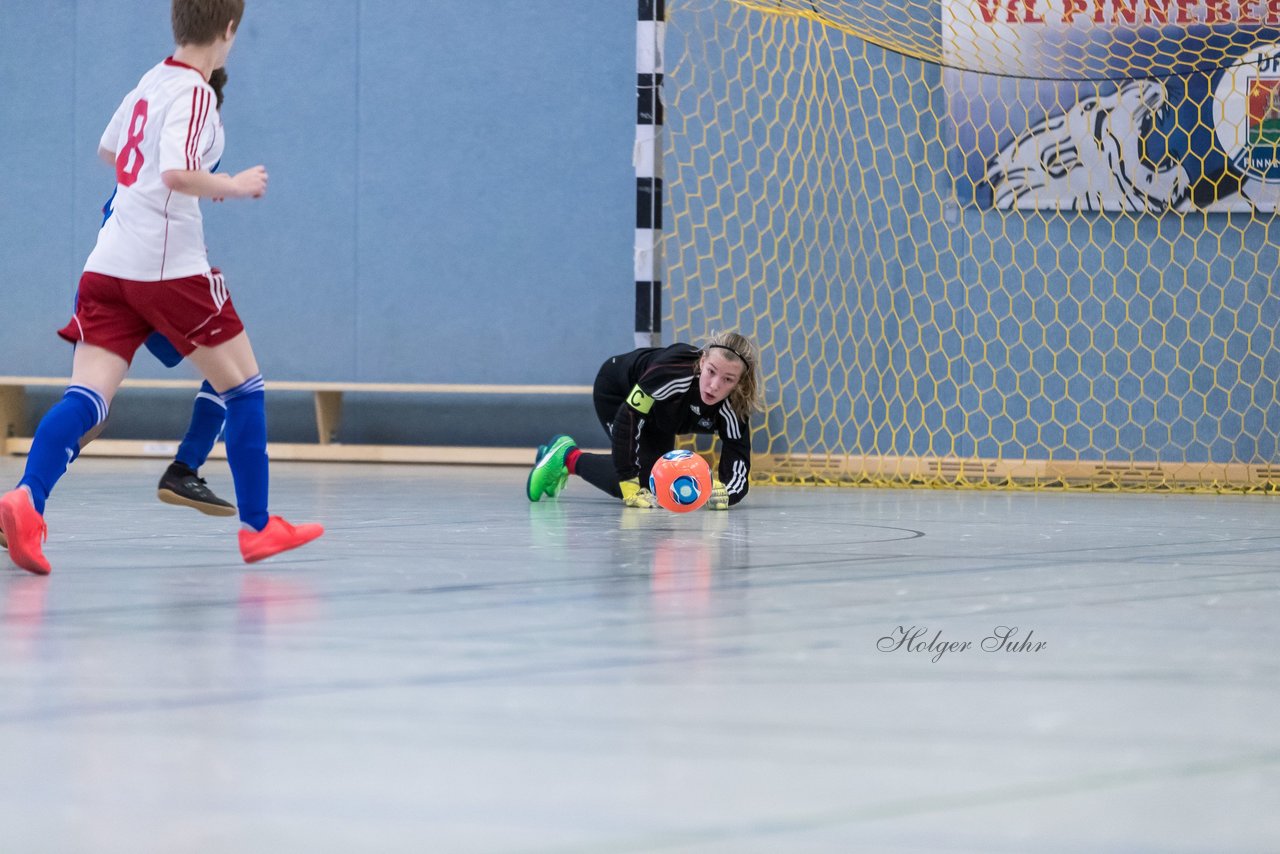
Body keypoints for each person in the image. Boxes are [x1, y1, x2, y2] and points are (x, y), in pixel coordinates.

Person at [0, 0, 323, 575]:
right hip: (167, 268)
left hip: (108, 264)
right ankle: (257, 526)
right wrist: (231, 182)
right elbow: (175, 172)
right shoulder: (197, 92)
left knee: (87, 400)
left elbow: (111, 151)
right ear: (228, 30)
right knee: (244, 387)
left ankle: (27, 499)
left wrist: (185, 182)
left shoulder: (150, 80)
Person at [526, 331, 760, 510]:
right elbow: (629, 416)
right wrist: (627, 478)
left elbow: (738, 456)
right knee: (644, 481)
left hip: (661, 413)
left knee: (653, 478)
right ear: (702, 362)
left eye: (728, 379)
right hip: (618, 392)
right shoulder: (674, 373)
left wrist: (727, 492)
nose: (714, 385)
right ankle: (566, 457)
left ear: (740, 382)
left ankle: (547, 455)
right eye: (711, 371)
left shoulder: (734, 405)